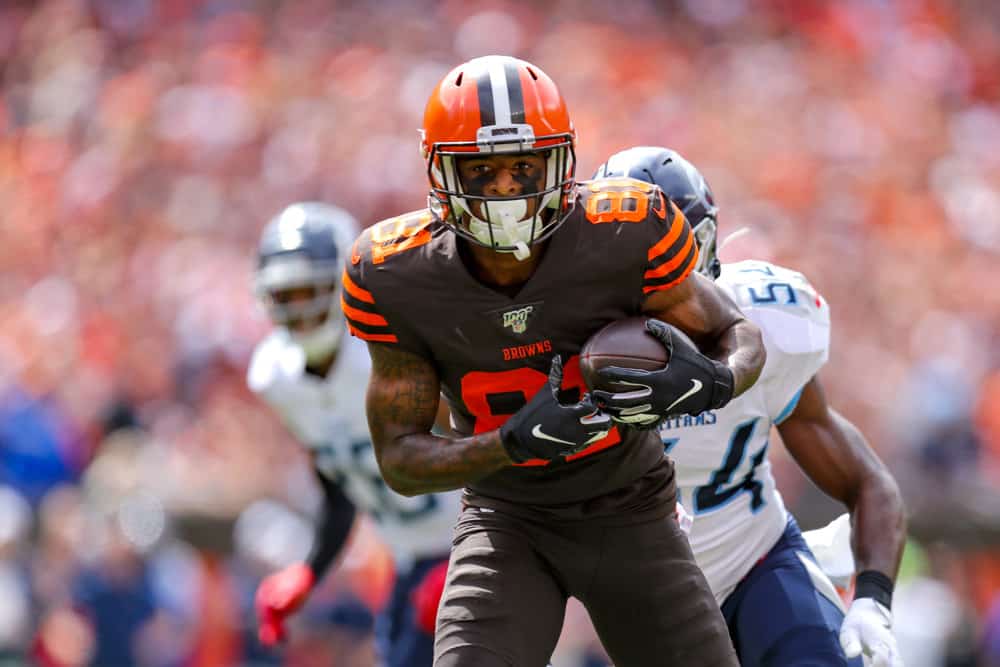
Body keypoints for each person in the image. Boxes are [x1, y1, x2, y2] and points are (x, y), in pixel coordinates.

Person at [342, 55, 767, 667]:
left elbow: (737, 331)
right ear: (441, 170)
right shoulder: (393, 274)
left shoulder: (624, 228)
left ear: (562, 161)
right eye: (482, 169)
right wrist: (508, 444)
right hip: (507, 519)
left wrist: (714, 379)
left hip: (631, 510)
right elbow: (402, 461)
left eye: (524, 165)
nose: (508, 188)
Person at [595, 146, 907, 667]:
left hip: (757, 563)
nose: (654, 283)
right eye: (633, 262)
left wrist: (873, 600)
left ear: (707, 249)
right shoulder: (564, 349)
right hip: (647, 602)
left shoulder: (766, 322)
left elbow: (867, 480)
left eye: (672, 258)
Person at [246, 202, 462, 666]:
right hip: (414, 562)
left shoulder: (391, 348)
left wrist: (472, 560)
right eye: (286, 296)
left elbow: (499, 444)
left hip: (486, 544)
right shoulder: (276, 376)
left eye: (311, 291)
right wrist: (310, 570)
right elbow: (342, 482)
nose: (301, 311)